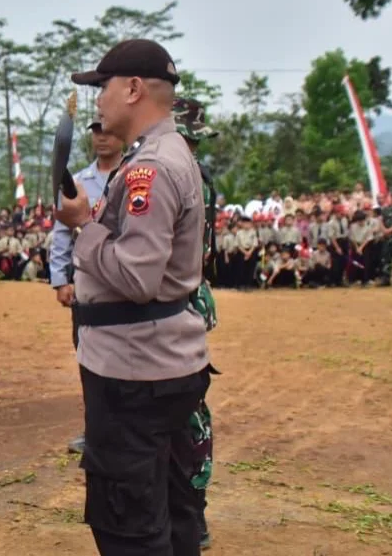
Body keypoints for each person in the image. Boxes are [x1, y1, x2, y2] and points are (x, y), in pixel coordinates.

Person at [58, 39, 212, 555]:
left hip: (135, 374)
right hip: (157, 362)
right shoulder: (161, 154)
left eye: (102, 87)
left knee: (130, 525)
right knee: (172, 510)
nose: (98, 100)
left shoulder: (152, 167)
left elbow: (137, 277)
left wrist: (83, 226)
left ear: (132, 89)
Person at [49, 118, 123, 455]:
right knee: (88, 357)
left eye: (107, 131)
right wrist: (60, 279)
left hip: (123, 282)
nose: (102, 138)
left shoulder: (134, 175)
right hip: (86, 283)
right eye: (96, 132)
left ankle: (124, 429)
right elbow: (62, 233)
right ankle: (96, 430)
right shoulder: (77, 182)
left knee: (126, 358)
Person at [173, 96, 223, 550]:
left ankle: (191, 510)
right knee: (187, 408)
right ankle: (189, 510)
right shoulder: (198, 176)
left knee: (185, 412)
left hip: (179, 305)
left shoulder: (181, 176)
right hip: (190, 301)